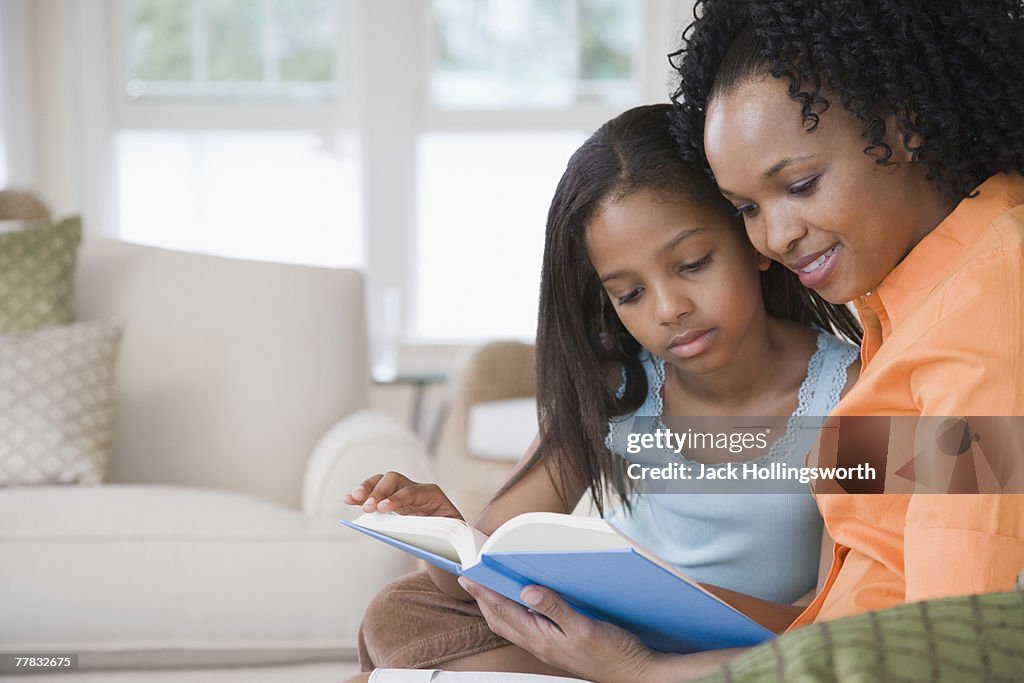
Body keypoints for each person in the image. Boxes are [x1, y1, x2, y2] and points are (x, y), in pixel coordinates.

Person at [447, 2, 1024, 682]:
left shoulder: (977, 325)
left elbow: (954, 654)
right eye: (748, 207)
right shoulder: (909, 302)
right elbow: (853, 598)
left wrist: (642, 670)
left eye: (801, 185)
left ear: (902, 126)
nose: (775, 239)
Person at [345, 103, 861, 683]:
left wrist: (655, 633)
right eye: (630, 293)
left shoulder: (850, 393)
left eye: (693, 264)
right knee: (399, 612)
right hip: (600, 639)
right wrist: (443, 530)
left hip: (747, 655)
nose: (669, 310)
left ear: (751, 235)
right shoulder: (619, 385)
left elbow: (838, 624)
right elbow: (483, 565)